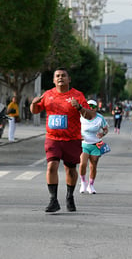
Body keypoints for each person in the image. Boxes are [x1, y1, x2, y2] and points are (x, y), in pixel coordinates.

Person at [30, 68, 96, 212]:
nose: (60, 78)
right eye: (57, 76)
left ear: (69, 79)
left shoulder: (77, 95)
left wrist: (79, 107)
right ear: (54, 80)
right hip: (53, 138)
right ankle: (53, 200)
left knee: (70, 170)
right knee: (51, 166)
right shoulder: (48, 94)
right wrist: (34, 103)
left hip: (72, 139)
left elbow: (90, 115)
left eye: (63, 76)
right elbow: (35, 110)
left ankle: (69, 196)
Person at [79, 100, 109, 194]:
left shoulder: (100, 118)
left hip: (96, 144)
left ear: (96, 108)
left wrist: (102, 134)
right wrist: (78, 135)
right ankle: (83, 182)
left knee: (93, 165)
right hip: (84, 143)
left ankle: (91, 185)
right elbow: (74, 127)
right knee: (83, 163)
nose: (91, 107)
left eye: (93, 106)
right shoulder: (81, 117)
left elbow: (105, 129)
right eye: (89, 106)